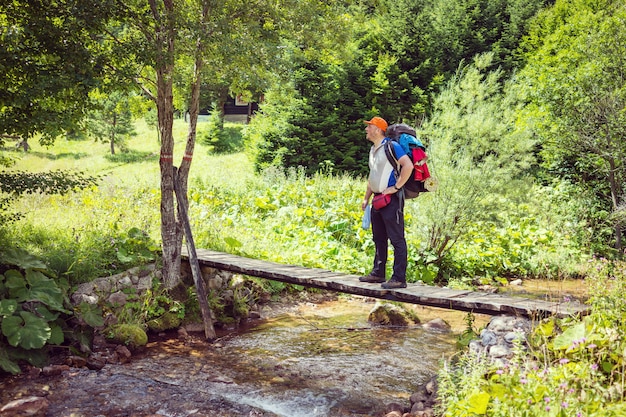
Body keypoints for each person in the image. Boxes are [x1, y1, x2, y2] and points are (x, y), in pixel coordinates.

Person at [360, 116, 414, 289]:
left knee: (397, 239)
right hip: (377, 200)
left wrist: (396, 187)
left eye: (369, 127)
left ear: (377, 129)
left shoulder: (392, 146)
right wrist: (366, 197)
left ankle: (399, 278)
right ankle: (378, 273)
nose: (366, 130)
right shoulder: (373, 150)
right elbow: (372, 176)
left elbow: (408, 166)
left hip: (391, 201)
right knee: (379, 238)